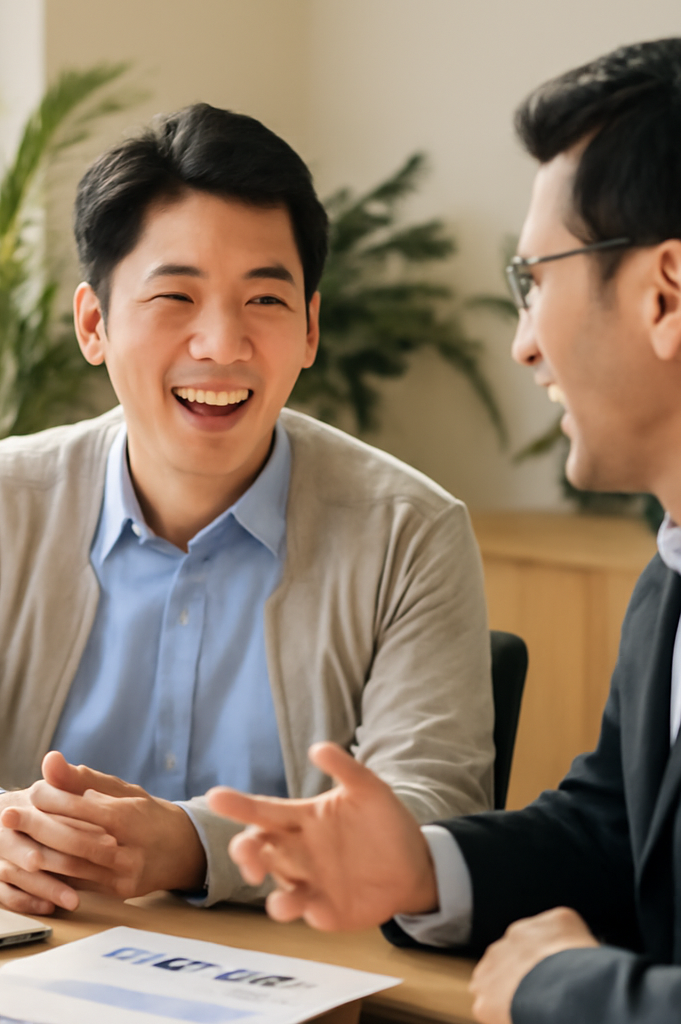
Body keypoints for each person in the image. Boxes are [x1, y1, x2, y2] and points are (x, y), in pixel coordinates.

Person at [0, 103, 493, 920]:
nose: (222, 344)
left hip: (297, 976)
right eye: (176, 297)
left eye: (265, 303)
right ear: (94, 324)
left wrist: (194, 847)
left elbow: (433, 812)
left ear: (310, 328)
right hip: (40, 962)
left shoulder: (409, 532)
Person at [207, 38, 681, 1024]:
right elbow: (608, 832)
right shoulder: (670, 574)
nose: (521, 342)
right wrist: (419, 866)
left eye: (533, 279)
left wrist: (566, 989)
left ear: (663, 294)